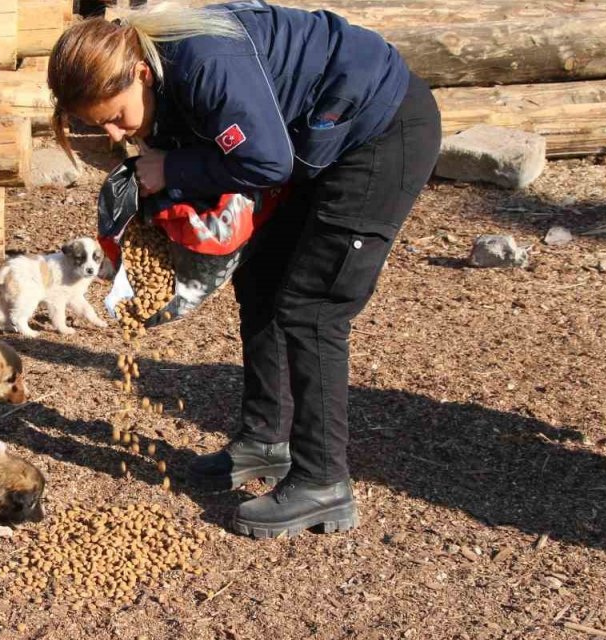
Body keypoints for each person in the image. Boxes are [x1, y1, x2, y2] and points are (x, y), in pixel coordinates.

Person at [47, 0, 442, 538]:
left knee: (312, 307)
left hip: (377, 132)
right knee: (262, 283)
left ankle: (322, 481)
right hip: (312, 139)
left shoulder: (205, 63)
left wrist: (174, 168)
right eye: (102, 127)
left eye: (116, 116)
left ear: (140, 72)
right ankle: (264, 441)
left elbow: (265, 162)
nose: (117, 134)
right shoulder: (160, 76)